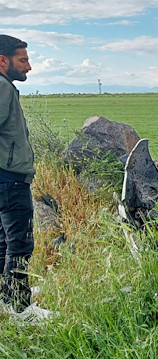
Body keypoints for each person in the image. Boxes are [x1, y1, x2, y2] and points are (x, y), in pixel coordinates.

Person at [0, 34, 35, 312]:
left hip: (5, 180)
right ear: (3, 61)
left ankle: (6, 301)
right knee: (20, 245)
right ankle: (20, 309)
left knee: (3, 244)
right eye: (22, 60)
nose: (28, 66)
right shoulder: (2, 87)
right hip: (10, 181)